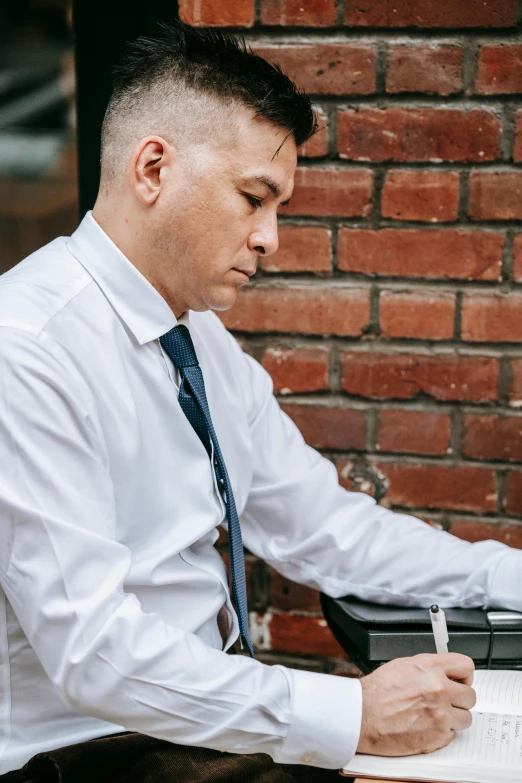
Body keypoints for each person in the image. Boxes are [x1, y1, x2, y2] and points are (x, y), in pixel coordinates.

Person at [0, 21, 520, 783]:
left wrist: (504, 577)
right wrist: (351, 714)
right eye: (253, 198)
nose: (271, 238)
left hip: (194, 726)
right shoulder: (27, 345)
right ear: (153, 168)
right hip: (77, 750)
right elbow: (94, 652)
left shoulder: (200, 340)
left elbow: (322, 526)